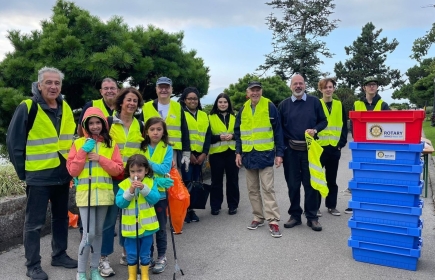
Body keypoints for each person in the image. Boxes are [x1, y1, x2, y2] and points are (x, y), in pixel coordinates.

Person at [6, 67, 78, 280]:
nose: (53, 86)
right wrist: (23, 172)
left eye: (57, 83)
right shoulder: (28, 107)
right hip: (38, 175)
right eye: (48, 82)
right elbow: (14, 142)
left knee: (60, 218)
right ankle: (33, 264)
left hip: (62, 174)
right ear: (39, 85)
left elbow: (69, 141)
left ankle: (59, 254)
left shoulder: (65, 107)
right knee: (34, 223)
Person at [66, 107, 124, 280]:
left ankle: (94, 270)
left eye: (98, 122)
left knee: (99, 232)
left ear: (103, 124)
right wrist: (83, 151)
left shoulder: (111, 144)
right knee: (88, 234)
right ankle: (81, 272)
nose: (95, 126)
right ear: (85, 125)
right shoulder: (77, 144)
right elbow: (73, 171)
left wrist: (101, 159)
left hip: (104, 195)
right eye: (91, 123)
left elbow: (118, 170)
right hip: (86, 195)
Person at [99, 87, 145, 277]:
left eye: (135, 100)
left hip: (132, 179)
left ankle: (127, 253)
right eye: (129, 100)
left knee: (129, 218)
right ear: (120, 102)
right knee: (109, 220)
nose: (132, 103)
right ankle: (103, 258)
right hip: (111, 178)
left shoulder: (141, 125)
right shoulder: (109, 123)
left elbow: (144, 150)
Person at [234, 81, 284, 238]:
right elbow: (238, 133)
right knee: (252, 189)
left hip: (265, 154)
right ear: (247, 92)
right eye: (252, 90)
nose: (255, 93)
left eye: (258, 90)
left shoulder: (269, 106)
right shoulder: (243, 109)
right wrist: (238, 152)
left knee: (268, 189)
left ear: (261, 91)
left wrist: (279, 153)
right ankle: (258, 217)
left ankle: (273, 220)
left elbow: (278, 131)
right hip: (249, 156)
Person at [278, 74, 328, 232]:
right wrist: (282, 149)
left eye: (300, 83)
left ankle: (312, 217)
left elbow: (323, 121)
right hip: (291, 152)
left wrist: (315, 130)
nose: (298, 86)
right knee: (293, 185)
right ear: (290, 86)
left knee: (311, 185)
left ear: (305, 85)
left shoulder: (314, 102)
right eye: (295, 84)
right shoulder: (284, 105)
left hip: (310, 151)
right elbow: (279, 129)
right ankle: (295, 215)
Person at [345, 75, 390, 214]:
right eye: (369, 84)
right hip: (361, 146)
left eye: (374, 84)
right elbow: (352, 124)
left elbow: (389, 124)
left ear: (377, 87)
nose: (372, 86)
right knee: (360, 174)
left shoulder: (383, 105)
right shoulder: (357, 104)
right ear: (364, 87)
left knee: (378, 174)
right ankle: (357, 202)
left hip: (378, 145)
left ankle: (375, 202)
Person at [116, 154, 161, 280]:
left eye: (140, 171)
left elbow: (155, 199)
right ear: (129, 172)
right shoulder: (124, 185)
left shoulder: (150, 183)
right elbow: (120, 203)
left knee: (145, 252)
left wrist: (144, 189)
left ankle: (145, 274)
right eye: (133, 171)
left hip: (147, 227)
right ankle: (132, 275)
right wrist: (130, 191)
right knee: (131, 253)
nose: (136, 174)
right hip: (130, 229)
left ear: (146, 170)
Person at [139, 117, 174, 274]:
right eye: (152, 129)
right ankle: (148, 256)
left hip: (160, 194)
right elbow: (137, 167)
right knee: (147, 225)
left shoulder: (167, 148)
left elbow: (165, 168)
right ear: (146, 131)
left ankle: (161, 256)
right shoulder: (142, 147)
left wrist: (147, 163)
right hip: (145, 193)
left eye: (159, 129)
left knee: (160, 226)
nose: (155, 132)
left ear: (163, 131)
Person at [140, 77, 190, 170]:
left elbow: (184, 130)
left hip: (172, 150)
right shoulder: (146, 107)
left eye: (166, 87)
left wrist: (186, 153)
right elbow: (140, 129)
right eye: (160, 87)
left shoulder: (177, 107)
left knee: (172, 179)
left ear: (171, 90)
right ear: (156, 89)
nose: (163, 90)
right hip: (150, 149)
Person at [316, 78, 348, 217]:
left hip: (334, 148)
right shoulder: (316, 104)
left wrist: (341, 144)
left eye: (331, 87)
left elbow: (344, 126)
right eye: (325, 87)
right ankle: (314, 207)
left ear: (334, 89)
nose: (328, 89)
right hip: (319, 148)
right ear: (321, 89)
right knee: (317, 179)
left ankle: (331, 205)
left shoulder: (339, 105)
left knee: (331, 179)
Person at [179, 87, 211, 223]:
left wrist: (204, 153)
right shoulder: (181, 113)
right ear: (184, 100)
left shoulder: (204, 115)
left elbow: (208, 135)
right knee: (185, 182)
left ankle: (192, 209)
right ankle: (184, 210)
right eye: (190, 98)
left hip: (200, 156)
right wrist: (189, 153)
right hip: (187, 155)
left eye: (195, 98)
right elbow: (181, 135)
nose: (193, 101)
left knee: (196, 182)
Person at [208, 93, 240, 215]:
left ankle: (233, 205)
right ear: (216, 103)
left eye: (225, 102)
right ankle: (215, 206)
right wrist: (219, 137)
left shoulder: (235, 117)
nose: (223, 104)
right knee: (216, 181)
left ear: (228, 104)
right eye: (220, 102)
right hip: (216, 154)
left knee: (233, 180)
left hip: (232, 152)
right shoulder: (210, 117)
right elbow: (207, 137)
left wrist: (232, 136)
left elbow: (241, 134)